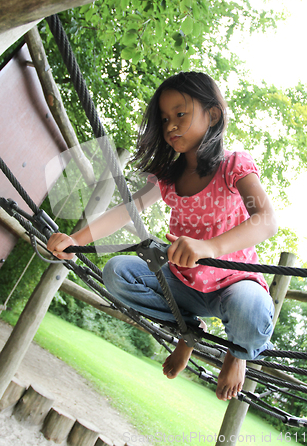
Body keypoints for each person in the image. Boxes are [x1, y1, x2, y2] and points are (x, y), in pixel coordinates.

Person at [47, 71, 278, 401]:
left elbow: (267, 220)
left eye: (180, 114)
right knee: (117, 272)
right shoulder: (169, 178)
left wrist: (208, 246)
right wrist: (77, 239)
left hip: (234, 283)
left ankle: (238, 353)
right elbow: (125, 210)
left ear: (212, 115)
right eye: (165, 118)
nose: (170, 125)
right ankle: (188, 332)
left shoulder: (233, 166)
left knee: (252, 309)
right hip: (182, 283)